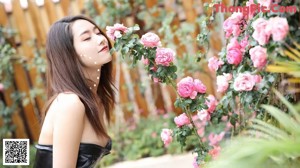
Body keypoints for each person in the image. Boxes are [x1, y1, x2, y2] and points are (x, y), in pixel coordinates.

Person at [34, 15, 116, 168]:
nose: (101, 39)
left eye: (98, 33)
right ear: (69, 54)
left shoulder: (95, 98)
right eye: (86, 38)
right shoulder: (70, 103)